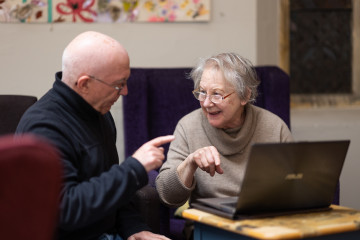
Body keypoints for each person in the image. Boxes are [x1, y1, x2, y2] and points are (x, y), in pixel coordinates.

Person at [16, 31, 174, 240]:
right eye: (118, 84)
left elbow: (110, 189)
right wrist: (134, 168)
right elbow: (66, 211)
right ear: (84, 84)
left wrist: (134, 228)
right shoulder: (44, 128)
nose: (125, 92)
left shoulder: (99, 112)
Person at [155, 52, 293, 224]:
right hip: (209, 227)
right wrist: (190, 163)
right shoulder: (188, 126)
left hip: (264, 224)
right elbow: (167, 196)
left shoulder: (274, 127)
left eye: (217, 94)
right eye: (202, 92)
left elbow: (295, 186)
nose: (206, 103)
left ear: (245, 96)